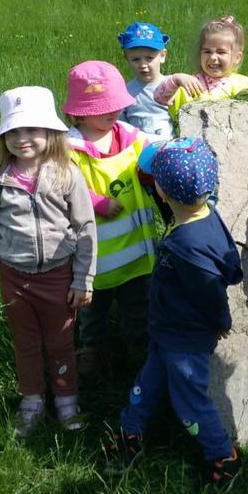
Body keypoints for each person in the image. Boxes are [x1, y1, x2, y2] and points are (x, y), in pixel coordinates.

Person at [108, 138, 244, 489]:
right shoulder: (207, 215)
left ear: (163, 193)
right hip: (166, 331)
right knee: (147, 385)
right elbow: (228, 257)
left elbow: (209, 290)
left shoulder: (187, 245)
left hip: (185, 341)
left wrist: (221, 321)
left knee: (190, 402)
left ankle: (222, 454)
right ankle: (131, 432)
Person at [0, 86, 97, 436]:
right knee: (25, 342)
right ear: (3, 136)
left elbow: (85, 228)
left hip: (58, 275)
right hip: (15, 278)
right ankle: (32, 400)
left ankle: (66, 401)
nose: (22, 139)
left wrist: (83, 279)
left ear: (51, 132)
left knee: (60, 341)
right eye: (13, 131)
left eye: (31, 130)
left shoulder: (67, 174)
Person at [62, 60, 160, 376]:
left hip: (136, 251)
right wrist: (96, 202)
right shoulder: (68, 148)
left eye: (116, 105)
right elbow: (60, 184)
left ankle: (138, 348)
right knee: (93, 308)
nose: (112, 112)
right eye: (102, 107)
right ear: (78, 112)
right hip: (93, 256)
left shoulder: (132, 136)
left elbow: (156, 154)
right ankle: (89, 348)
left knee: (138, 306)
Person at [154, 15, 248, 124]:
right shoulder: (188, 84)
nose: (213, 57)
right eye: (207, 52)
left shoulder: (247, 85)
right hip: (192, 140)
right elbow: (158, 98)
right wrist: (175, 79)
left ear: (237, 57)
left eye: (221, 52)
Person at [118, 21, 174, 140]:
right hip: (138, 149)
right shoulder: (125, 92)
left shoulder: (171, 86)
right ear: (126, 58)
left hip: (168, 148)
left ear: (162, 56)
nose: (143, 65)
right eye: (136, 59)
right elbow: (121, 126)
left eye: (149, 58)